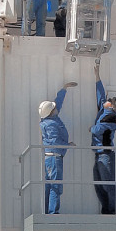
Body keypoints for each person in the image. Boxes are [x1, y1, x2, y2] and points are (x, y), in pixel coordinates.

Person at [39, 82, 77, 213]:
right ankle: (53, 213)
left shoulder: (48, 119)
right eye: (54, 108)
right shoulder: (52, 124)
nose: (56, 108)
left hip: (49, 158)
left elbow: (57, 103)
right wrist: (68, 145)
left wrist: (64, 89)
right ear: (51, 112)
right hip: (55, 158)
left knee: (49, 185)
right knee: (55, 185)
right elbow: (55, 141)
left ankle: (48, 211)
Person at [90, 63, 116, 214]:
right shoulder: (104, 111)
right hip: (99, 153)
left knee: (108, 184)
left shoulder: (111, 117)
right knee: (99, 183)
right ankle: (106, 210)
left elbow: (98, 130)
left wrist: (91, 128)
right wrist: (97, 76)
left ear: (111, 106)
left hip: (105, 154)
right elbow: (100, 94)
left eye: (110, 100)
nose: (107, 99)